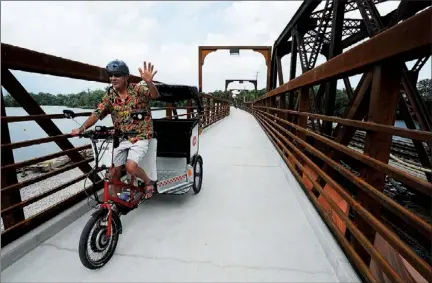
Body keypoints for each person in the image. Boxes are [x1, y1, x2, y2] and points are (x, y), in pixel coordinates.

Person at [71, 59, 160, 200]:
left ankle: (149, 182)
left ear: (126, 77)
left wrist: (149, 82)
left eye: (117, 75)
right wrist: (82, 128)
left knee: (130, 167)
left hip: (140, 136)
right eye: (111, 75)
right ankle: (116, 201)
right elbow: (97, 113)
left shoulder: (138, 89)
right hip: (122, 138)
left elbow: (155, 96)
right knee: (113, 171)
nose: (113, 78)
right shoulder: (110, 96)